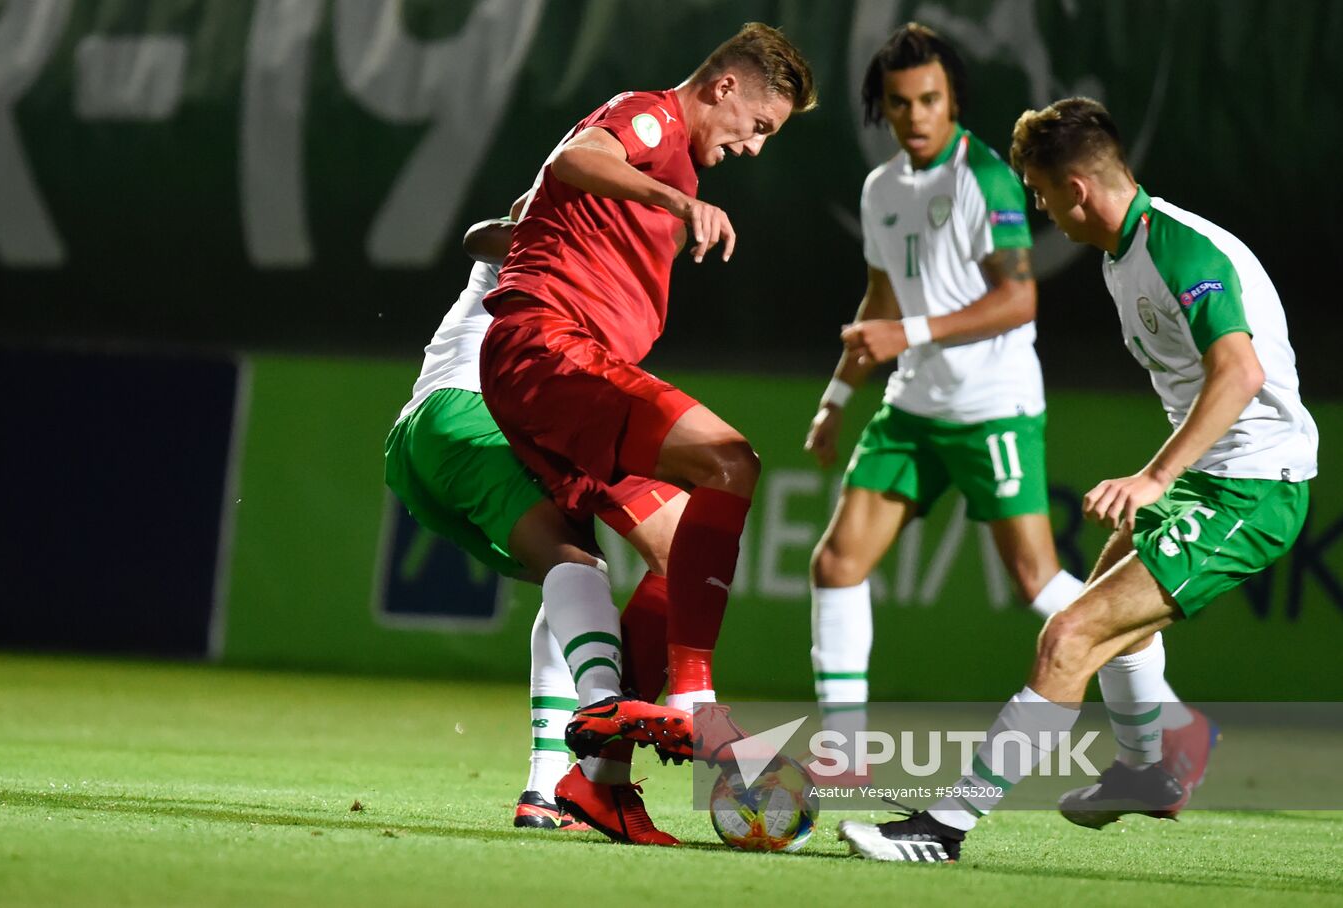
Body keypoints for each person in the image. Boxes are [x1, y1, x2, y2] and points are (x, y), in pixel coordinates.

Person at [838, 96, 1317, 862]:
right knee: (1110, 632)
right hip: (1217, 479)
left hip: (1253, 487)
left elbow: (1240, 370)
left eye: (1039, 194)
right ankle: (1152, 766)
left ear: (1077, 190)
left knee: (1068, 636)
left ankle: (943, 829)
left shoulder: (1180, 251)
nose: (1039, 212)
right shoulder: (1122, 256)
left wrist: (1155, 478)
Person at [478, 21, 817, 829]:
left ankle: (599, 776)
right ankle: (694, 693)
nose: (756, 149)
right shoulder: (653, 118)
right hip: (551, 351)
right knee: (731, 461)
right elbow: (577, 160)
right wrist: (674, 197)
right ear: (726, 87)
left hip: (565, 366)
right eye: (760, 127)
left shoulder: (665, 157)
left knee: (681, 549)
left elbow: (542, 200)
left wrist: (525, 230)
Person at [806, 23, 1125, 772]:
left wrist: (907, 331)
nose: (916, 115)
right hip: (913, 409)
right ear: (881, 107)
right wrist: (835, 397)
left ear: (952, 99)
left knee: (1036, 583)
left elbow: (1018, 300)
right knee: (836, 564)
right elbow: (879, 294)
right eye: (899, 102)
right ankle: (842, 759)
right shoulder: (881, 188)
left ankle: (1154, 694)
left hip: (993, 408)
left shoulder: (983, 177)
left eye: (930, 99)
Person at [385, 204, 689, 843]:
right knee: (576, 567)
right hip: (472, 411)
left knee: (576, 573)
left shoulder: (617, 284)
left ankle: (546, 788)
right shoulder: (566, 215)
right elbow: (481, 236)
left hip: (449, 433)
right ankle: (602, 716)